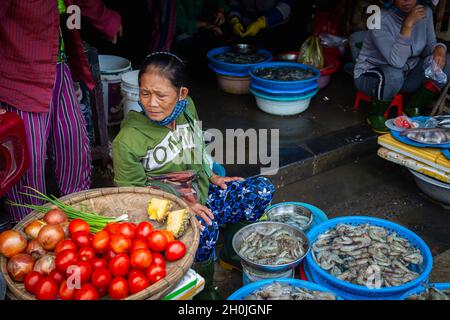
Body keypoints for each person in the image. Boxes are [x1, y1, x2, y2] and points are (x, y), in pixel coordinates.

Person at [112, 52, 275, 300]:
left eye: (161, 95)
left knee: (261, 189)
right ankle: (203, 289)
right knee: (204, 229)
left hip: (202, 196)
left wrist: (210, 175)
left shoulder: (186, 108)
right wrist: (182, 205)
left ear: (182, 94)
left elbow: (195, 142)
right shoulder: (128, 140)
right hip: (165, 214)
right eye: (145, 93)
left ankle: (230, 254)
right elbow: (131, 196)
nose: (151, 103)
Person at [0, 0, 122, 222]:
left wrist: (107, 19)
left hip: (58, 69)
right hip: (20, 77)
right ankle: (29, 231)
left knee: (73, 146)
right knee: (28, 162)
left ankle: (78, 219)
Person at [354, 0, 450, 133]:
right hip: (371, 78)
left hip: (406, 77)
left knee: (446, 61)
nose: (406, 0)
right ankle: (375, 114)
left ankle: (413, 106)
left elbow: (429, 49)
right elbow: (397, 62)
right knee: (394, 73)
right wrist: (407, 26)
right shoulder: (379, 18)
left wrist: (439, 48)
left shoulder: (425, 12)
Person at [173, 0, 228, 66]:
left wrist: (220, 10)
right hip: (181, 33)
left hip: (203, 27)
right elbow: (181, 23)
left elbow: (218, 2)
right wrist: (206, 25)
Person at [228, 0, 293, 50]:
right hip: (247, 28)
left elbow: (286, 6)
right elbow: (234, 3)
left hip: (276, 28)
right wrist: (234, 19)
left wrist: (261, 22)